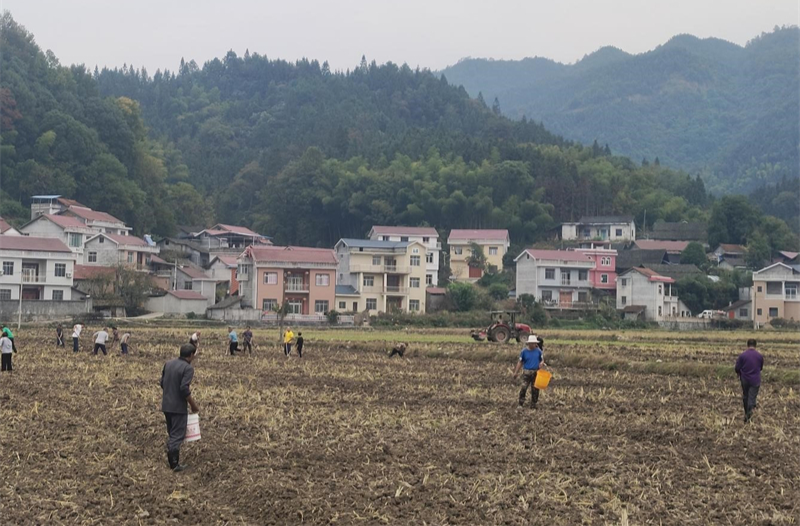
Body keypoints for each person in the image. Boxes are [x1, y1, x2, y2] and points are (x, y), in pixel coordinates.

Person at [160, 344, 200, 472]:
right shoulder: (188, 368)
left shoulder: (168, 364)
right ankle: (174, 464)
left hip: (166, 404)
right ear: (191, 355)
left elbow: (162, 383)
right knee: (177, 435)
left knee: (172, 432)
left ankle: (171, 458)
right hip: (178, 407)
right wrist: (193, 405)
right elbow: (184, 388)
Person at [513, 335, 547, 409]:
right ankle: (520, 403)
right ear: (529, 343)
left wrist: (541, 363)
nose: (534, 344)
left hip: (536, 373)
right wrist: (516, 372)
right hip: (526, 372)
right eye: (532, 343)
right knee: (523, 388)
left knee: (535, 389)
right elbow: (520, 362)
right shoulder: (524, 352)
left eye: (534, 343)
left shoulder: (539, 351)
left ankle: (533, 404)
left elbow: (542, 360)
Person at [735, 338, 764, 423]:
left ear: (747, 345)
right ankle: (749, 413)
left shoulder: (743, 355)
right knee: (752, 397)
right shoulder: (759, 356)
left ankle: (747, 413)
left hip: (744, 379)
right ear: (755, 345)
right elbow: (761, 367)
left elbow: (737, 368)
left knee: (745, 396)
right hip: (755, 380)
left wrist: (739, 373)